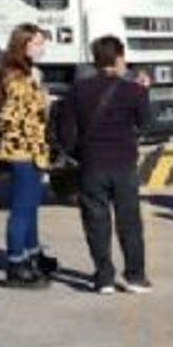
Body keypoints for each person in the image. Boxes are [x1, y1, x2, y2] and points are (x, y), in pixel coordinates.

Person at [59, 37, 154, 294]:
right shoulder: (133, 90)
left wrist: (77, 153)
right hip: (123, 164)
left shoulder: (78, 90)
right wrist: (144, 91)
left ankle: (104, 277)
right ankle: (135, 276)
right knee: (129, 222)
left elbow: (66, 132)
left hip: (92, 164)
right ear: (119, 58)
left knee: (95, 221)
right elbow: (146, 123)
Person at [0, 24, 55, 288]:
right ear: (23, 45)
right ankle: (16, 263)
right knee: (21, 210)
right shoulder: (17, 79)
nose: (42, 48)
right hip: (23, 152)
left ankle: (31, 254)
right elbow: (11, 118)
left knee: (30, 208)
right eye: (37, 43)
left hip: (33, 151)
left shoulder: (26, 75)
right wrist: (41, 100)